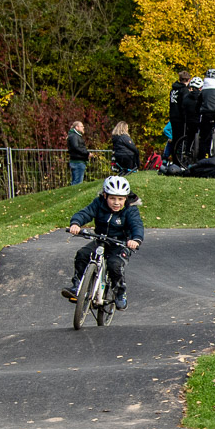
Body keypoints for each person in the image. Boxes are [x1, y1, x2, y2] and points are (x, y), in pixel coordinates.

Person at [61, 175, 143, 310]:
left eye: (120, 199)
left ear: (126, 198)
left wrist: (135, 240)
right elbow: (85, 213)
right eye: (112, 198)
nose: (116, 203)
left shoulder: (130, 209)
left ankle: (119, 294)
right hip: (101, 239)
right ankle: (78, 287)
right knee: (82, 254)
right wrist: (75, 224)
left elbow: (136, 225)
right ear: (105, 196)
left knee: (114, 265)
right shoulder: (98, 204)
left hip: (120, 244)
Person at [168, 68, 192, 161]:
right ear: (188, 80)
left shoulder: (173, 90)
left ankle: (174, 159)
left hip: (173, 116)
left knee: (175, 139)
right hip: (181, 118)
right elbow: (184, 104)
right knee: (181, 139)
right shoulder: (184, 90)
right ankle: (180, 160)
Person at [67, 121, 89, 186]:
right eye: (82, 126)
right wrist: (86, 153)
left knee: (76, 181)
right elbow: (76, 148)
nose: (83, 127)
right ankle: (73, 195)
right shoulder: (74, 136)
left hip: (78, 161)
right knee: (77, 183)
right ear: (77, 127)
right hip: (77, 162)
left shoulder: (75, 136)